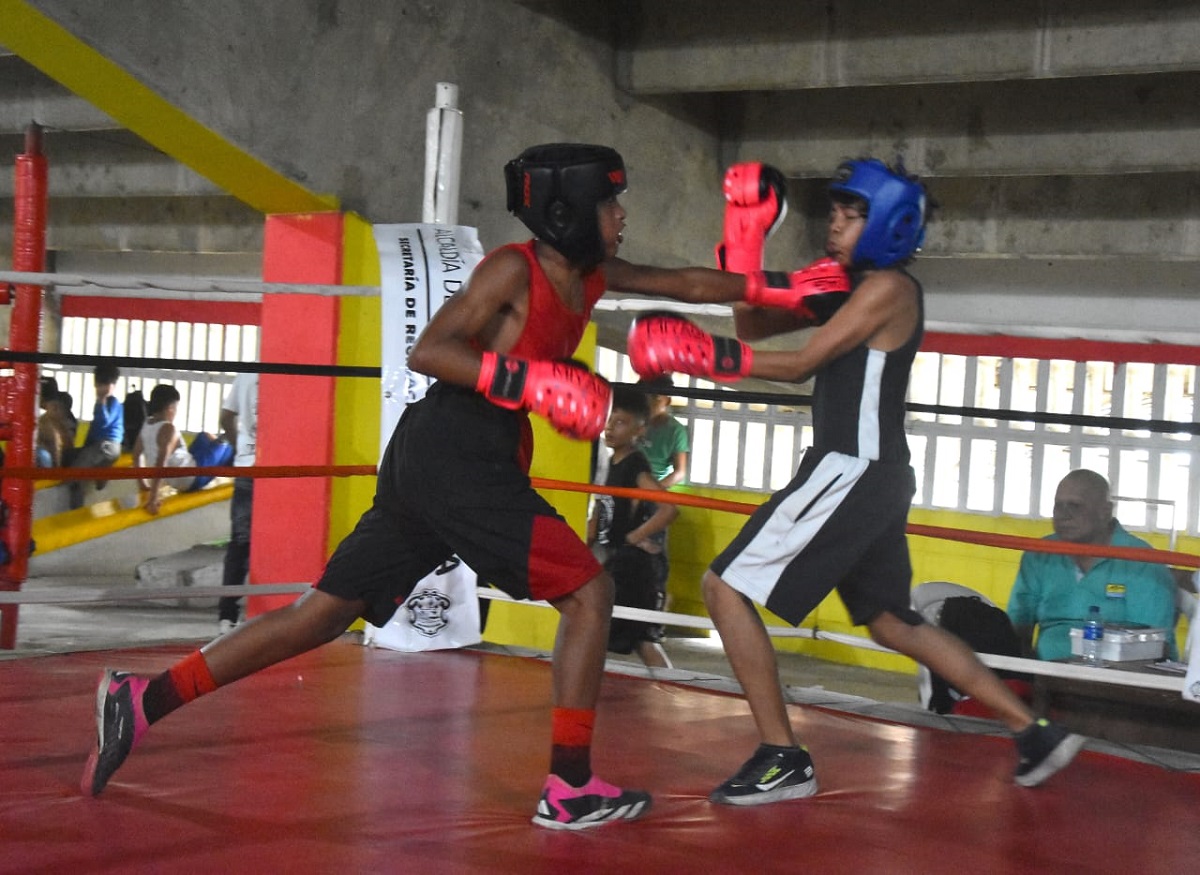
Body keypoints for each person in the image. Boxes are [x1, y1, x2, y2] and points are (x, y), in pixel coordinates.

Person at [81, 143, 830, 828]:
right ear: (567, 210)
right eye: (610, 204)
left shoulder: (592, 274)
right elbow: (430, 347)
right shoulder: (512, 270)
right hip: (456, 449)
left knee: (319, 615)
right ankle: (569, 785)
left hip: (450, 457)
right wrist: (528, 378)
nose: (621, 215)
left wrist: (794, 288)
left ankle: (141, 701)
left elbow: (691, 281)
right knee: (590, 593)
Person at [626, 157, 1085, 805]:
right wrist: (748, 246)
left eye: (851, 213)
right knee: (892, 621)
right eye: (834, 212)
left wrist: (707, 359)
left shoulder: (890, 288)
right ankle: (1033, 730)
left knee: (723, 586)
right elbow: (755, 324)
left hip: (852, 466)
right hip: (876, 473)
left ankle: (782, 754)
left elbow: (803, 363)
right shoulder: (840, 283)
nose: (834, 223)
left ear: (891, 224)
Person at [1007, 468, 1178, 662]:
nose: (1063, 515)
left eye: (1075, 506)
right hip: (1045, 676)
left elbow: (1156, 644)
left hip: (1118, 678)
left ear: (1105, 512)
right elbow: (1017, 627)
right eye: (1058, 505)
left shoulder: (1142, 561)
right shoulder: (1039, 555)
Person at [588, 385, 678, 669]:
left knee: (639, 638)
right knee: (601, 630)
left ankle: (671, 690)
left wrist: (633, 537)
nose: (611, 428)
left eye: (621, 422)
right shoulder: (609, 462)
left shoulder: (636, 465)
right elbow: (602, 509)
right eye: (609, 420)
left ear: (639, 431)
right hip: (615, 559)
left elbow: (669, 508)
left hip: (633, 568)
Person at [133, 384, 232, 515]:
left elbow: (136, 455)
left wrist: (142, 484)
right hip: (192, 478)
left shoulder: (147, 424)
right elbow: (160, 464)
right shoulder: (168, 429)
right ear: (170, 409)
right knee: (226, 443)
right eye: (176, 408)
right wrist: (153, 498)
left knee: (204, 436)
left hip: (183, 471)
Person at [217, 372, 258, 636]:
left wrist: (239, 446)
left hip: (246, 465)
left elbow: (225, 416)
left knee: (240, 543)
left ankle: (227, 615)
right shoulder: (289, 370)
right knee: (273, 539)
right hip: (278, 467)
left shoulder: (245, 374)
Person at [68, 362, 124, 509]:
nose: (99, 389)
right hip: (99, 445)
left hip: (108, 446)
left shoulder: (113, 403)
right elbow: (94, 429)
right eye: (98, 385)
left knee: (77, 474)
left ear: (111, 385)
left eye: (102, 385)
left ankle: (75, 507)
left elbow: (105, 422)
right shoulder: (101, 404)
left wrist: (102, 400)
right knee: (75, 456)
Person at [638, 375, 689, 488]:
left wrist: (652, 491)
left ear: (667, 401)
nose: (649, 401)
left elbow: (680, 472)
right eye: (645, 396)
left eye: (655, 397)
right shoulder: (634, 423)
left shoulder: (676, 431)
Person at [36, 389, 76, 469]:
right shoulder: (41, 421)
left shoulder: (69, 424)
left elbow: (67, 446)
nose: (54, 409)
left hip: (57, 463)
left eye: (57, 407)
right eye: (52, 406)